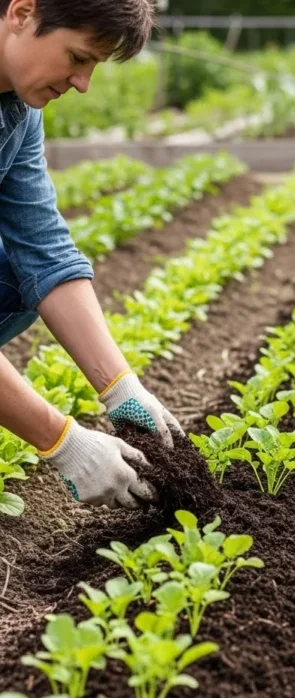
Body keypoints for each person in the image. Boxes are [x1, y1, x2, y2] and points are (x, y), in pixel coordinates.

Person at [0, 0, 183, 509]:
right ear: (22, 13)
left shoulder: (18, 112)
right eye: (78, 58)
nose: (83, 84)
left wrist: (121, 387)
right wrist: (61, 440)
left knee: (17, 271)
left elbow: (45, 250)